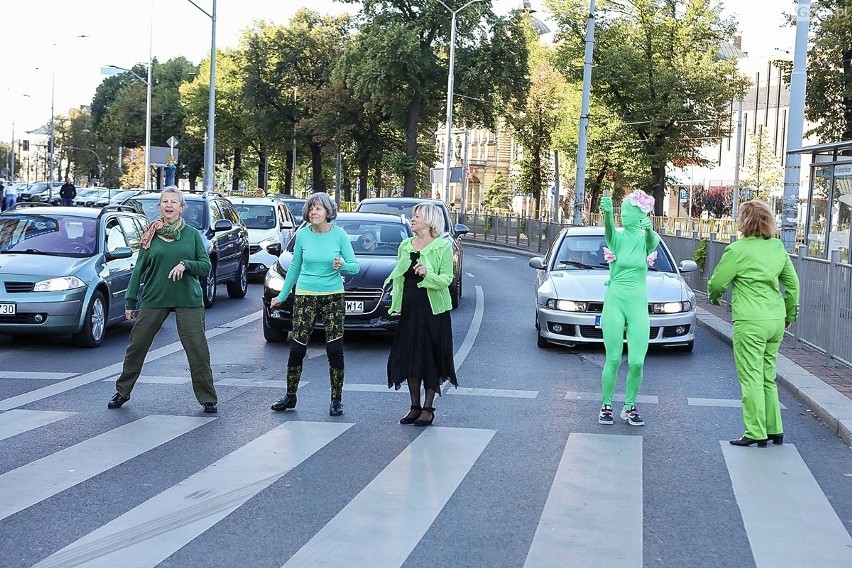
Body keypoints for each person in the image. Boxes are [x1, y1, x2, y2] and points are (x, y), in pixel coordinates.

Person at [107, 187, 218, 413]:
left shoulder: (193, 235)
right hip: (155, 297)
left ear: (181, 208)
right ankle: (122, 391)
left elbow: (206, 266)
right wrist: (130, 302)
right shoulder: (151, 235)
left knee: (197, 349)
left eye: (173, 202)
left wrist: (186, 265)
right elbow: (139, 270)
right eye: (165, 202)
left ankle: (208, 398)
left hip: (188, 299)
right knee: (137, 346)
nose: (169, 206)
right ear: (160, 207)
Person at [708, 200, 799, 447]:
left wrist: (714, 299)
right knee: (768, 375)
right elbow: (792, 285)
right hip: (776, 320)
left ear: (743, 222)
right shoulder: (778, 248)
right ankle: (775, 429)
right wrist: (790, 314)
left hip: (750, 320)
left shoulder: (737, 251)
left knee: (750, 377)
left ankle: (755, 432)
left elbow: (717, 284)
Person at [270, 193, 360, 416]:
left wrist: (343, 265)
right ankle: (290, 396)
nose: (314, 212)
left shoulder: (339, 235)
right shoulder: (303, 236)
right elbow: (294, 267)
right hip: (305, 295)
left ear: (328, 212)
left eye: (318, 209)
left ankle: (336, 399)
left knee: (334, 348)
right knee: (297, 348)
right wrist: (282, 296)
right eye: (311, 209)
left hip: (332, 296)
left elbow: (354, 266)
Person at [385, 202, 457, 426]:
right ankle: (414, 406)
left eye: (417, 216)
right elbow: (399, 279)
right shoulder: (406, 245)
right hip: (410, 310)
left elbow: (447, 279)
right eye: (413, 216)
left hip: (433, 311)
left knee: (429, 357)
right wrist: (395, 304)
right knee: (410, 357)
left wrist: (428, 274)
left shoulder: (442, 247)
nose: (412, 219)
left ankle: (428, 408)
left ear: (429, 220)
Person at [598, 190, 660, 427]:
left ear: (639, 214)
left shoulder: (646, 239)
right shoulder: (618, 238)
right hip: (615, 300)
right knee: (613, 358)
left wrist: (650, 228)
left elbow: (653, 241)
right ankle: (606, 405)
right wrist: (607, 213)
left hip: (637, 303)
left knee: (637, 362)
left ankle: (629, 406)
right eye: (621, 211)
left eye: (627, 211)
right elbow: (609, 230)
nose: (623, 215)